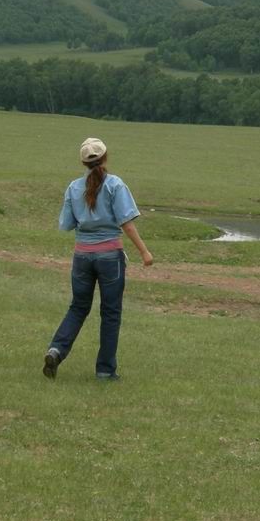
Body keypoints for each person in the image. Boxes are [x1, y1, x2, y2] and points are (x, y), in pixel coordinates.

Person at [43, 137, 153, 381]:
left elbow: (66, 224)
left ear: (83, 162)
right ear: (105, 157)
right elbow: (126, 222)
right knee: (111, 312)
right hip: (109, 258)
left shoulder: (73, 187)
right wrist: (144, 252)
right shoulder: (115, 184)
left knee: (78, 307)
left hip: (82, 256)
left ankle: (56, 350)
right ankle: (105, 371)